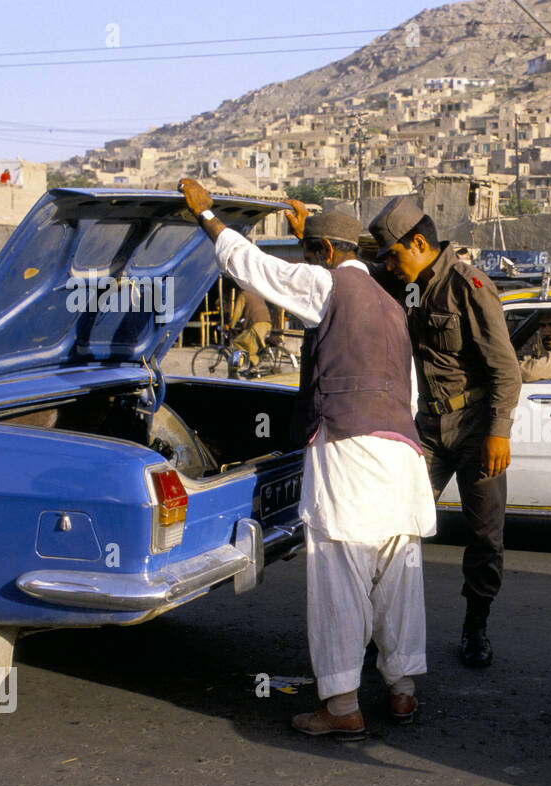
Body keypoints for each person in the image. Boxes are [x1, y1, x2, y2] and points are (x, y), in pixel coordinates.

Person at [178, 179, 436, 738]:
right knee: (398, 575)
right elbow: (409, 395)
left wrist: (208, 217)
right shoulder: (391, 306)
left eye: (309, 251)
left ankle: (341, 707)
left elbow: (254, 268)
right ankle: (402, 693)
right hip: (402, 456)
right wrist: (311, 233)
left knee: (340, 572)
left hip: (351, 453)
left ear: (320, 255)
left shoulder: (327, 285)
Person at [369, 196, 521, 668]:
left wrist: (499, 432)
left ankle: (476, 627)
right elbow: (350, 276)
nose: (390, 266)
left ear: (419, 242)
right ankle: (383, 630)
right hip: (427, 428)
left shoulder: (469, 286)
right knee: (396, 526)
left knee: (484, 537)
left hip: (477, 429)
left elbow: (506, 370)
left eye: (394, 254)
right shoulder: (407, 284)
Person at [230, 288, 273, 365]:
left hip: (257, 325)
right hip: (267, 323)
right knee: (253, 345)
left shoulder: (243, 295)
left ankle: (255, 362)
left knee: (238, 342)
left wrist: (231, 325)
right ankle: (252, 368)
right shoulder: (256, 293)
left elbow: (237, 312)